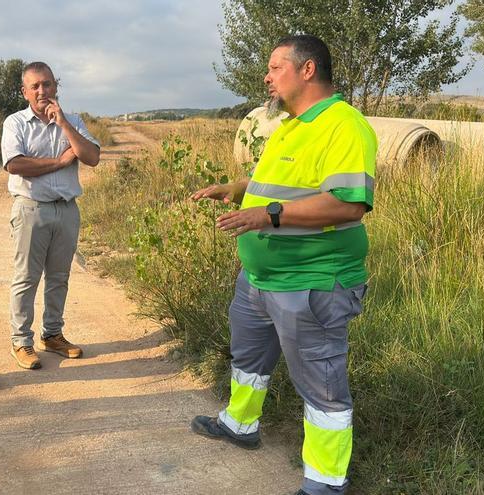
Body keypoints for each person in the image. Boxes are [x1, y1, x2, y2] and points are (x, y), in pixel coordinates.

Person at [189, 35, 376, 495]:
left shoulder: (343, 125)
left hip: (312, 282)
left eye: (275, 67)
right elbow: (282, 182)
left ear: (307, 70)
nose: (267, 77)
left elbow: (348, 204)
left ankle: (326, 481)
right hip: (260, 278)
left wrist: (266, 214)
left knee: (322, 383)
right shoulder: (293, 125)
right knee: (249, 358)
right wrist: (237, 188)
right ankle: (240, 424)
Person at [1, 62, 100, 370]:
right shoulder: (15, 123)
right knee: (26, 278)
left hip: (66, 208)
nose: (42, 91)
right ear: (25, 91)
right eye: (35, 86)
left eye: (47, 84)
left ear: (56, 86)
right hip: (32, 208)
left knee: (59, 277)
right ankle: (21, 341)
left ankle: (53, 334)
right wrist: (59, 162)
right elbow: (15, 164)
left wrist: (65, 127)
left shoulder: (73, 121)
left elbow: (92, 157)